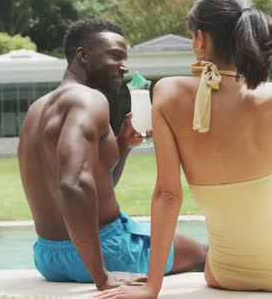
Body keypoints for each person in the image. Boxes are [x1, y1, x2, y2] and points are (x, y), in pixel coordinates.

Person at [96, 0, 272, 298]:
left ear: (200, 41)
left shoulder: (167, 93)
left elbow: (168, 194)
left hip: (222, 273)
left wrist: (153, 286)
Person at [17, 18, 207, 291]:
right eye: (116, 56)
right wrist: (102, 277)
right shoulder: (90, 100)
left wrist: (123, 145)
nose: (125, 66)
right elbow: (73, 185)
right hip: (105, 250)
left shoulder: (38, 109)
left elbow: (95, 184)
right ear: (83, 55)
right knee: (206, 254)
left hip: (48, 255)